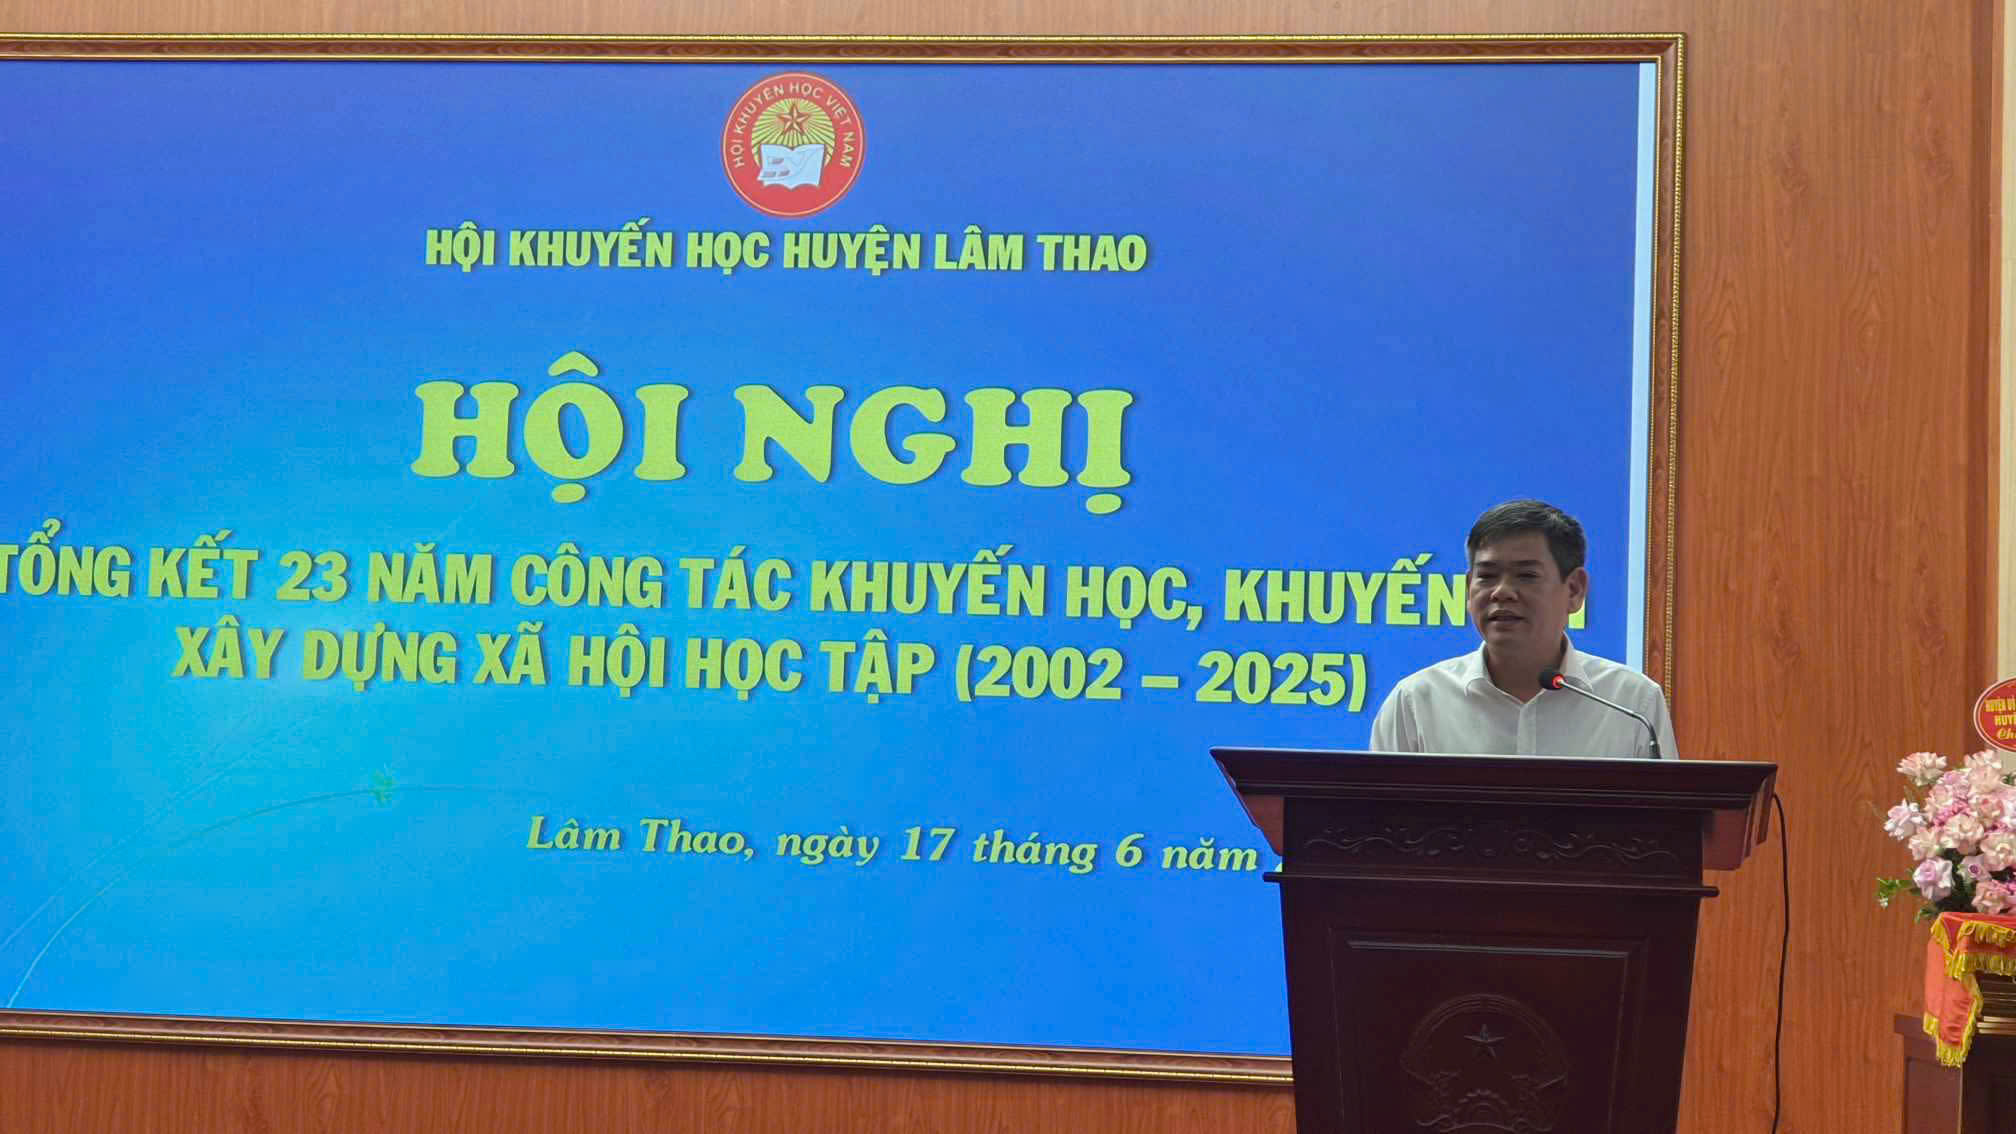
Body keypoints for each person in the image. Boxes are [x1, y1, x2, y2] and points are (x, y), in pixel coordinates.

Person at [1368, 499, 1678, 759]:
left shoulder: (1632, 703)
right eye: (1487, 576)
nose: (1501, 592)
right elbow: (1379, 812)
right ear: (1468, 588)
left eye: (1526, 576)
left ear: (1574, 590)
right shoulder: (1416, 702)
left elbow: (1664, 813)